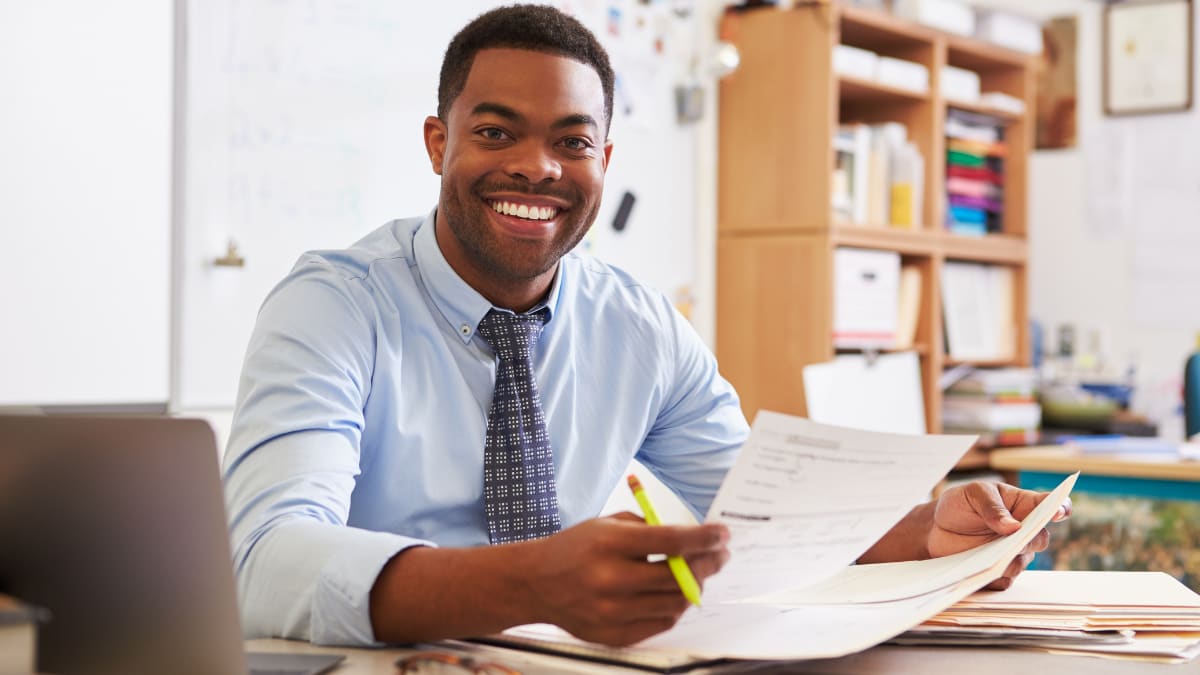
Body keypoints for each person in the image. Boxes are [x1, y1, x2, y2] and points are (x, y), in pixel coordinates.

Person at [223, 4, 1068, 650]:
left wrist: (927, 527)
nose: (536, 166)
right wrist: (527, 584)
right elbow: (263, 560)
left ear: (605, 163)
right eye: (494, 132)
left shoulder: (638, 324)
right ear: (438, 143)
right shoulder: (333, 304)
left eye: (572, 141)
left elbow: (761, 515)